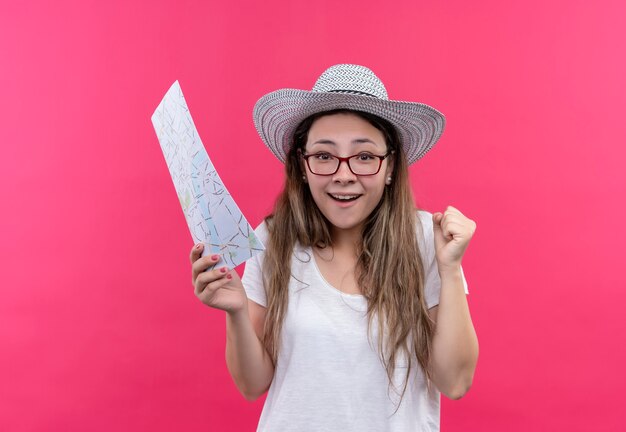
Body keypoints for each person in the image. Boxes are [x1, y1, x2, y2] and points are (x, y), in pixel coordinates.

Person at [190, 64, 478, 431]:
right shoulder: (273, 239)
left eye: (364, 156)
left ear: (390, 166)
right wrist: (234, 311)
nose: (344, 174)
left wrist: (450, 269)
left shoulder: (428, 240)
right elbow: (252, 384)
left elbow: (454, 382)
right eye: (324, 156)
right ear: (303, 165)